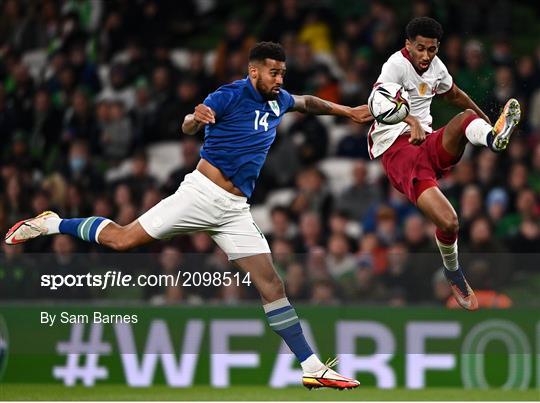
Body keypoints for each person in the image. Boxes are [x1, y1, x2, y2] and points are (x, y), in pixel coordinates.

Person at [5, 42, 371, 389]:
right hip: (199, 195)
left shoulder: (279, 100)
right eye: (273, 73)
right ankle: (51, 223)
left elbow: (307, 102)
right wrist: (195, 120)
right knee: (120, 240)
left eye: (282, 73)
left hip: (234, 211)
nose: (279, 80)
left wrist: (348, 111)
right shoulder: (230, 94)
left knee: (272, 285)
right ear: (253, 71)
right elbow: (189, 123)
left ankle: (311, 368)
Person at [368, 17, 521, 310]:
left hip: (424, 142)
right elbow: (378, 104)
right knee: (450, 222)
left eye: (433, 50)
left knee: (465, 119)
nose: (426, 56)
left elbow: (453, 94)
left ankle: (492, 138)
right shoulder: (394, 66)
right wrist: (410, 119)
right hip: (399, 152)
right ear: (408, 45)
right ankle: (453, 271)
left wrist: (485, 119)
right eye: (421, 49)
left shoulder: (435, 67)